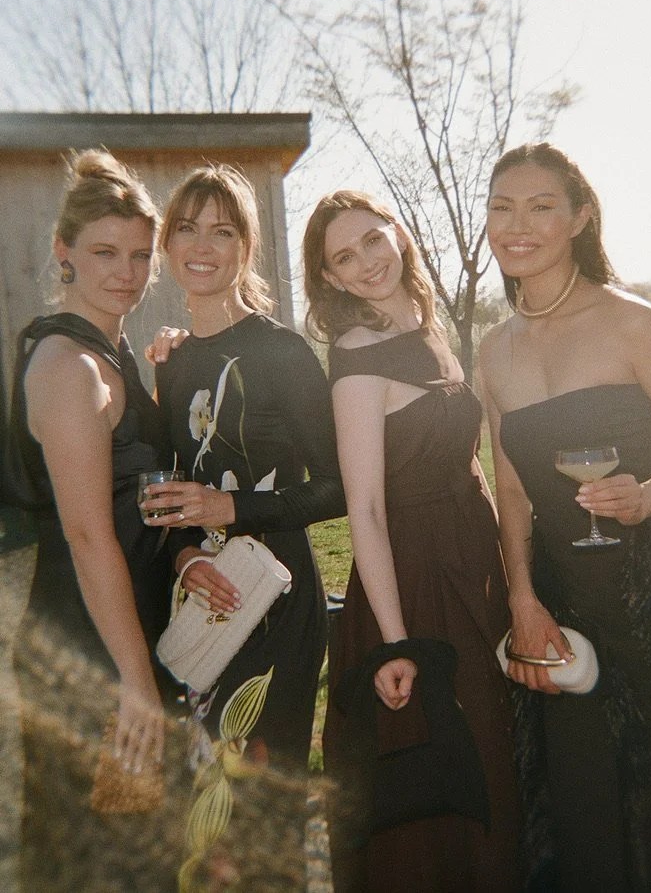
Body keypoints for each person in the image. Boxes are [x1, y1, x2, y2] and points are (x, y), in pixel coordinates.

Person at [479, 141, 651, 891]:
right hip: (560, 596)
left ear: (578, 218)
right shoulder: (491, 350)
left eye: (541, 206)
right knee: (582, 795)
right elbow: (509, 491)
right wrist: (520, 595)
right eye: (501, 207)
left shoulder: (631, 321)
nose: (518, 225)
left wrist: (645, 495)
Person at [302, 190, 522, 892]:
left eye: (372, 239)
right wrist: (397, 642)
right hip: (412, 579)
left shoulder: (429, 328)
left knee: (492, 752)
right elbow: (363, 507)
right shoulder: (358, 353)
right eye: (344, 256)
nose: (366, 261)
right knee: (439, 763)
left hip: (471, 560)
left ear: (397, 233)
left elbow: (471, 461)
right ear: (330, 278)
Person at [142, 164, 345, 877]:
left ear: (246, 248)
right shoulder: (170, 363)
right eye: (188, 229)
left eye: (222, 230)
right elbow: (167, 488)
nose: (204, 245)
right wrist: (186, 559)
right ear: (168, 247)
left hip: (279, 607)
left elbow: (338, 486)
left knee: (260, 801)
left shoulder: (283, 353)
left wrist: (236, 507)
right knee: (202, 805)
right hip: (205, 600)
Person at [5, 149, 177, 891]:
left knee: (140, 855)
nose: (127, 273)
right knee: (97, 860)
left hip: (125, 627)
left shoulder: (114, 352)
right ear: (62, 252)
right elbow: (86, 533)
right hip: (90, 645)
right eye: (105, 252)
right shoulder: (66, 367)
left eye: (141, 255)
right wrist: (135, 681)